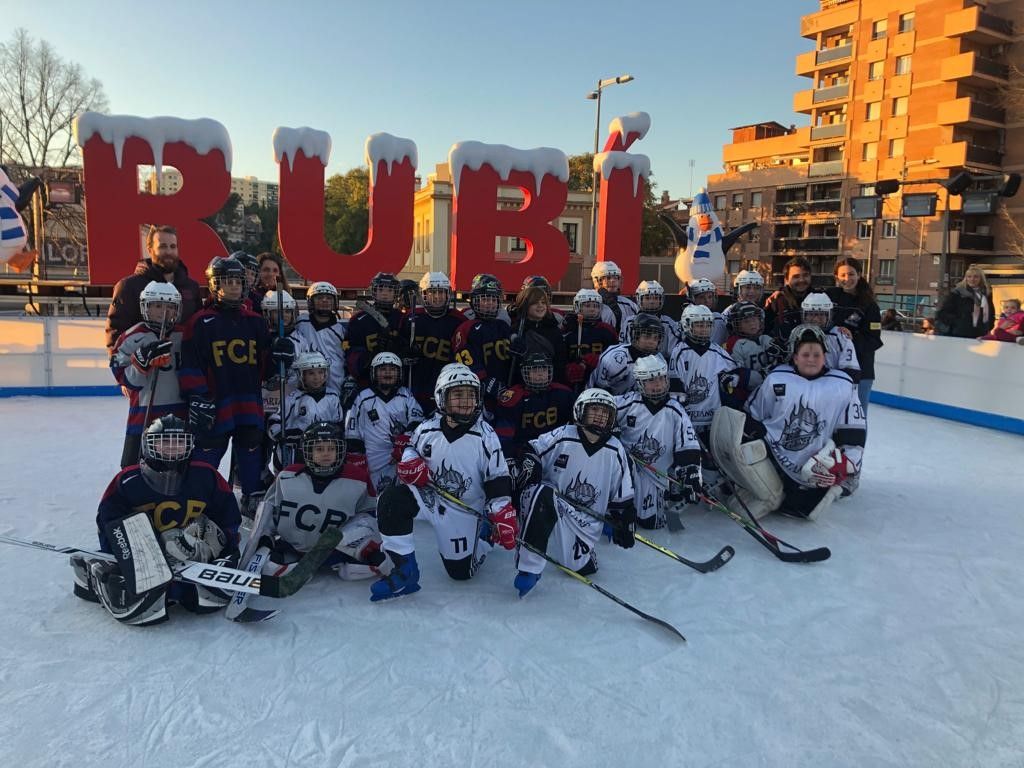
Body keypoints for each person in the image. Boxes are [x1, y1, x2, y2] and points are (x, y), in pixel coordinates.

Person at [70, 415, 241, 626]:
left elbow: (228, 517)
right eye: (165, 442)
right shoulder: (128, 480)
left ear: (189, 445)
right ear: (149, 445)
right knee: (138, 601)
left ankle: (184, 582)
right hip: (146, 556)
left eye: (179, 443)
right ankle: (99, 574)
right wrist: (124, 556)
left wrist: (221, 548)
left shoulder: (206, 475)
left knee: (202, 597)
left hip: (193, 552)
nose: (172, 448)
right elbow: (108, 522)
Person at [369, 363, 518, 602]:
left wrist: (500, 512)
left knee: (460, 573)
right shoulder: (426, 429)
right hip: (430, 497)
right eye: (457, 394)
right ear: (441, 398)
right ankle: (405, 571)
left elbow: (497, 477)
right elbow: (411, 448)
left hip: (464, 508)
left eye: (471, 395)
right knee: (391, 499)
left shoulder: (486, 435)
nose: (465, 401)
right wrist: (410, 462)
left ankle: (484, 537)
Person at [710, 324, 865, 521]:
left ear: (825, 356)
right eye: (805, 354)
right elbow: (753, 412)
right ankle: (751, 488)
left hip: (812, 465)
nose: (811, 359)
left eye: (816, 354)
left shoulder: (842, 384)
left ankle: (783, 492)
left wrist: (847, 461)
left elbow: (853, 427)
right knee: (766, 498)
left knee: (806, 511)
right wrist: (754, 431)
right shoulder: (778, 378)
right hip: (772, 454)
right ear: (795, 357)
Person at [178, 256, 288, 517]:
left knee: (250, 448)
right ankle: (199, 498)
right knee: (209, 449)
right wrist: (198, 396)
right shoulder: (201, 322)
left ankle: (251, 495)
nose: (235, 287)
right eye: (228, 281)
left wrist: (280, 356)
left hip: (248, 399)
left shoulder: (255, 321)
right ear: (215, 284)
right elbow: (190, 364)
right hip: (216, 401)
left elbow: (266, 368)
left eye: (238, 281)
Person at [510, 388, 636, 597]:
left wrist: (622, 520)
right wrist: (530, 463)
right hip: (554, 500)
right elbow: (532, 450)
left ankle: (582, 555)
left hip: (583, 519)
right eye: (594, 409)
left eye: (605, 412)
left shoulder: (615, 449)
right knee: (540, 493)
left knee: (578, 567)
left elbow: (622, 495)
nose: (600, 416)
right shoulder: (563, 435)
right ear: (580, 411)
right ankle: (529, 568)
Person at [246, 421, 385, 585]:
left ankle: (307, 568)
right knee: (271, 566)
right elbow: (269, 511)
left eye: (331, 448)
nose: (326, 454)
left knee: (367, 566)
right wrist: (265, 539)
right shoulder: (287, 476)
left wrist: (370, 549)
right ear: (307, 451)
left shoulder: (358, 478)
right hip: (292, 547)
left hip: (337, 551)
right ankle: (291, 566)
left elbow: (368, 516)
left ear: (340, 450)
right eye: (319, 449)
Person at [614, 355, 703, 530]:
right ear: (640, 383)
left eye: (661, 378)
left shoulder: (675, 409)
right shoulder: (627, 403)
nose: (658, 384)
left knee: (650, 523)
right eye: (651, 380)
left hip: (655, 475)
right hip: (628, 467)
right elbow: (602, 411)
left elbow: (688, 444)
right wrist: (611, 429)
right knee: (620, 511)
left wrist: (690, 474)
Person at [109, 281, 187, 468]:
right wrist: (140, 362)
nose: (164, 311)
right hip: (144, 412)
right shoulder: (132, 337)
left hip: (181, 411)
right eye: (157, 306)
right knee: (133, 465)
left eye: (170, 306)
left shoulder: (185, 336)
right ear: (145, 307)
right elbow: (124, 376)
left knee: (179, 464)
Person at [105, 225, 201, 353]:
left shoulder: (191, 287)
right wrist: (124, 361)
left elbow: (199, 328)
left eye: (173, 246)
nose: (169, 252)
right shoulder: (129, 286)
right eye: (162, 246)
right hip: (143, 363)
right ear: (150, 250)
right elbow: (115, 333)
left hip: (184, 362)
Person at [345, 352, 424, 495]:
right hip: (373, 459)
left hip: (401, 457)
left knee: (400, 495)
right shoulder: (363, 397)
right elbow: (353, 431)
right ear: (374, 373)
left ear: (400, 373)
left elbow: (417, 422)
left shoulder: (406, 395)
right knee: (372, 496)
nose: (388, 372)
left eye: (392, 369)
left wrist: (404, 443)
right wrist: (357, 458)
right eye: (382, 369)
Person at [668, 304, 737, 448]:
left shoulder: (717, 351)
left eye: (707, 325)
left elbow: (734, 371)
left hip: (713, 419)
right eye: (699, 325)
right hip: (689, 419)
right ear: (686, 325)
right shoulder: (680, 352)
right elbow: (675, 385)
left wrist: (727, 378)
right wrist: (681, 414)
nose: (704, 329)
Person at [400, 271, 466, 414]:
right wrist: (404, 353)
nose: (437, 297)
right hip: (415, 386)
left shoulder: (458, 320)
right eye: (432, 292)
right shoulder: (411, 318)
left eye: (441, 292)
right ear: (424, 294)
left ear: (448, 294)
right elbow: (398, 345)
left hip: (445, 386)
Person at [266, 351, 343, 471]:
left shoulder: (333, 397)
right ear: (301, 375)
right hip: (298, 452)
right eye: (311, 373)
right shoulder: (292, 399)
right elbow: (273, 426)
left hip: (324, 452)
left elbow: (339, 426)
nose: (317, 377)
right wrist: (290, 434)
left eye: (320, 372)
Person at [493, 350, 574, 459]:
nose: (540, 374)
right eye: (535, 370)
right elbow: (503, 439)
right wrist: (513, 458)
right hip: (524, 453)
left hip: (555, 451)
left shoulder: (564, 393)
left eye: (544, 369)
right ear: (525, 373)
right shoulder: (513, 398)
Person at [452, 273, 513, 414]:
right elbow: (465, 363)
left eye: (493, 299)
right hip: (477, 394)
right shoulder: (466, 328)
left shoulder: (503, 326)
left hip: (505, 390)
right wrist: (488, 383)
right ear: (474, 301)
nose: (489, 303)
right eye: (484, 299)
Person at [828, 257, 882, 412]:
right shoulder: (830, 295)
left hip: (861, 371)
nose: (847, 279)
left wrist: (852, 338)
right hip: (833, 368)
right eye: (843, 275)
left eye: (851, 274)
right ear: (836, 277)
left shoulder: (870, 305)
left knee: (857, 417)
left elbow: (874, 340)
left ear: (859, 274)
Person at [345, 272, 407, 389]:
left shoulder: (403, 319)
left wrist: (400, 348)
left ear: (396, 293)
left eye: (390, 290)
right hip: (366, 384)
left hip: (396, 383)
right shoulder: (358, 320)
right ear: (374, 291)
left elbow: (408, 352)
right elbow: (350, 353)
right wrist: (370, 357)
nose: (385, 293)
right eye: (381, 289)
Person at [293, 281, 347, 398]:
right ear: (310, 301)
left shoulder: (341, 330)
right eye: (319, 297)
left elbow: (346, 356)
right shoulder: (301, 322)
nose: (324, 301)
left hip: (335, 382)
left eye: (329, 298)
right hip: (306, 381)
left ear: (335, 301)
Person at [588, 312, 664, 395]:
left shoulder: (659, 360)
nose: (651, 342)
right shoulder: (614, 358)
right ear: (635, 336)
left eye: (655, 338)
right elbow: (598, 391)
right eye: (647, 337)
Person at [507, 285, 569, 386]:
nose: (540, 306)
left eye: (543, 302)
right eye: (535, 303)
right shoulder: (516, 330)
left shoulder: (554, 331)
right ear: (525, 305)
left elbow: (560, 362)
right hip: (522, 386)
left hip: (550, 386)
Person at [562, 288, 619, 391]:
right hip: (574, 383)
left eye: (596, 306)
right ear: (577, 306)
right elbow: (561, 355)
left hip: (600, 380)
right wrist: (568, 368)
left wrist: (598, 360)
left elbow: (615, 356)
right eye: (587, 306)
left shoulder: (607, 330)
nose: (592, 309)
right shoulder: (568, 329)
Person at [722, 301, 785, 392]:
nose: (752, 324)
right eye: (746, 321)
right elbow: (738, 373)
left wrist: (782, 356)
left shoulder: (766, 338)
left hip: (770, 388)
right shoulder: (734, 344)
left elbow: (782, 360)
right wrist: (763, 376)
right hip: (748, 394)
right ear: (736, 325)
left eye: (755, 319)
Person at [800, 293, 860, 382]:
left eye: (821, 314)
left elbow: (850, 371)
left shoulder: (841, 336)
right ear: (804, 315)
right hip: (803, 385)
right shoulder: (796, 335)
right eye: (811, 314)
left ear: (829, 315)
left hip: (832, 385)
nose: (816, 319)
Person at [621, 280, 682, 356]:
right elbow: (623, 347)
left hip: (660, 361)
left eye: (656, 298)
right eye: (647, 298)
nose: (652, 301)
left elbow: (674, 352)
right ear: (639, 299)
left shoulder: (669, 323)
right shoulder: (629, 322)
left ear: (661, 300)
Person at [935, 267, 995, 338]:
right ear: (966, 278)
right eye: (969, 277)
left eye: (976, 277)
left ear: (981, 279)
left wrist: (989, 326)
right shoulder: (957, 294)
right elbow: (942, 313)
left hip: (981, 334)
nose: (972, 279)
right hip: (960, 334)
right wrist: (959, 323)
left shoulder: (986, 294)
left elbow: (991, 313)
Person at [764, 256, 813, 340]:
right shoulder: (775, 302)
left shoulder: (820, 298)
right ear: (786, 279)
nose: (801, 280)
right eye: (796, 276)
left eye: (805, 275)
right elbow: (764, 331)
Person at [591, 260, 639, 335]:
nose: (613, 280)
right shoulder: (591, 305)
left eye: (616, 277)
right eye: (608, 277)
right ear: (597, 281)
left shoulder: (630, 305)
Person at [688, 278, 728, 346]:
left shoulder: (718, 318)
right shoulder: (686, 320)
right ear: (693, 299)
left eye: (710, 297)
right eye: (702, 297)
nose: (707, 301)